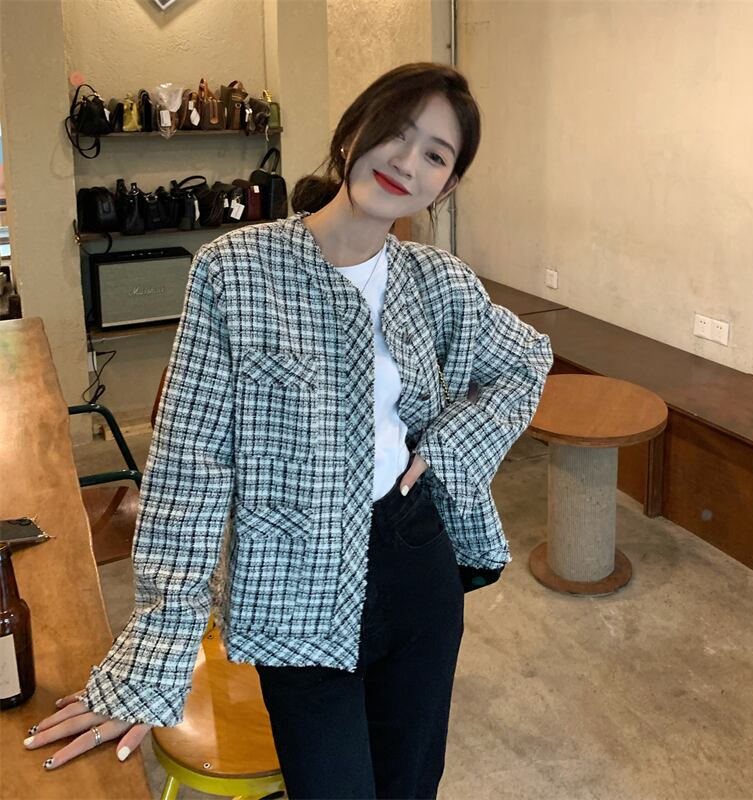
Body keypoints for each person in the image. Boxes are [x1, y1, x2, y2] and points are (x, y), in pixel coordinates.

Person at [22, 62, 553, 798]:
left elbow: (527, 360)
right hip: (292, 582)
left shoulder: (438, 282)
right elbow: (190, 466)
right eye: (396, 133)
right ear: (352, 133)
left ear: (447, 184)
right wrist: (154, 650)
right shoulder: (236, 272)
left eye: (435, 154)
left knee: (410, 784)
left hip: (414, 564)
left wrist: (449, 447)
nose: (406, 162)